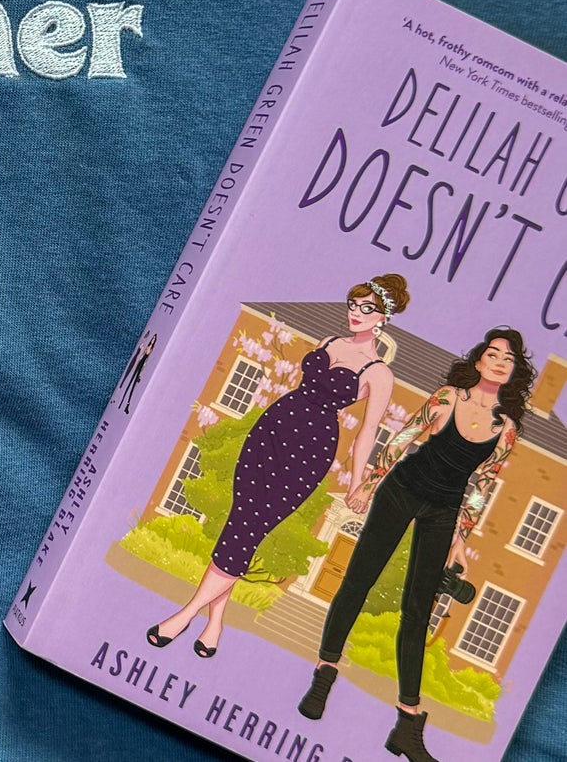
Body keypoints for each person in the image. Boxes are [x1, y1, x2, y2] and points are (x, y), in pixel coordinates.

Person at [297, 328, 532, 762]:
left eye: (508, 358)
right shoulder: (447, 398)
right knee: (358, 581)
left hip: (443, 510)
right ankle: (324, 675)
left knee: (418, 611)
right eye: (493, 353)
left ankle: (407, 724)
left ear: (514, 371)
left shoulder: (507, 429)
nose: (500, 361)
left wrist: (460, 539)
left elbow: (482, 485)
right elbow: (403, 438)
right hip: (401, 491)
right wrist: (368, 485)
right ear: (478, 361)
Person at [147, 274, 407, 658]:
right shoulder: (329, 342)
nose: (356, 313)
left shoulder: (379, 373)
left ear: (383, 317)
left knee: (250, 527)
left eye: (367, 308)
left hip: (310, 448)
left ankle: (185, 615)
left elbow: (367, 433)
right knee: (240, 520)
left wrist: (356, 484)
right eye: (354, 304)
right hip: (274, 427)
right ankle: (214, 625)